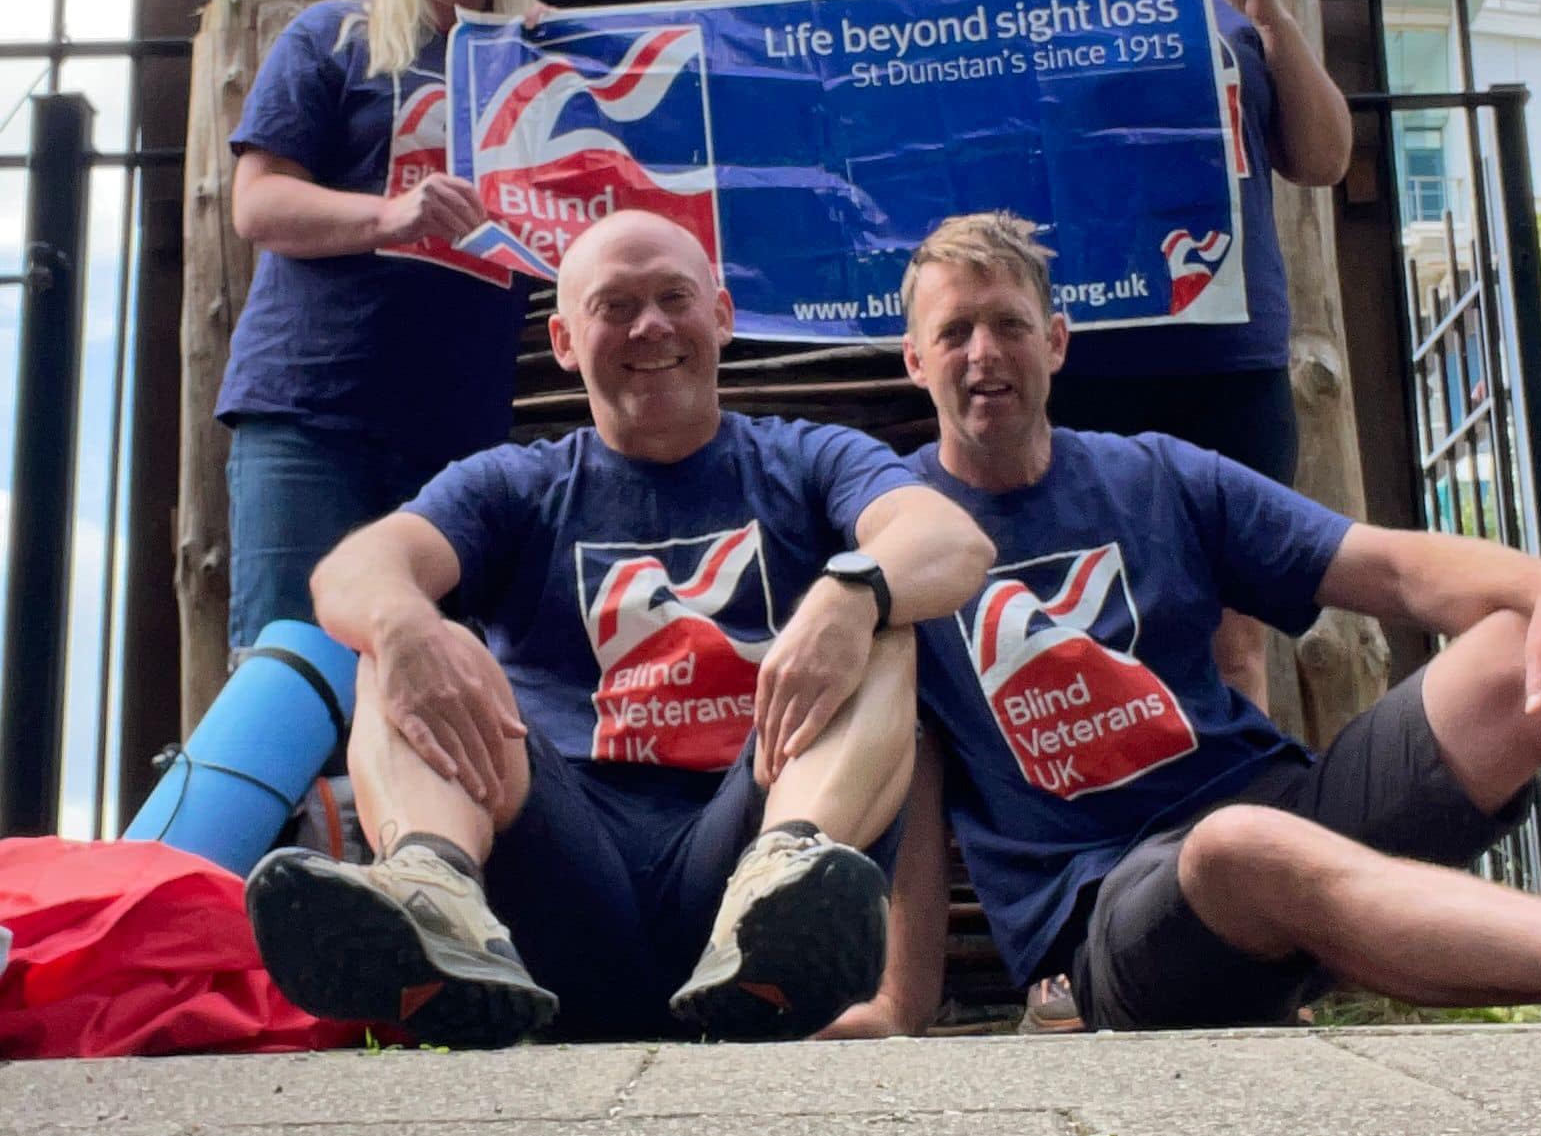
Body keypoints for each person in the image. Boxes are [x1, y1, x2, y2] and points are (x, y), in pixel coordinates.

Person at [862, 209, 1541, 1036]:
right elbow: (911, 781)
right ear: (915, 360)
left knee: (1518, 648)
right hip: (1121, 921)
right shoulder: (895, 539)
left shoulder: (1156, 475)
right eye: (955, 331)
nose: (984, 352)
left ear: (1057, 342)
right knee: (1234, 849)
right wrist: (900, 1006)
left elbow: (1389, 566)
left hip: (1292, 819)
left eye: (1009, 324)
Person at [243, 209, 994, 1048]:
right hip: (558, 887)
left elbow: (951, 540)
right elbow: (349, 572)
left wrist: (851, 593)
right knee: (402, 637)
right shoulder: (515, 484)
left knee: (886, 620)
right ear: (565, 340)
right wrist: (402, 621)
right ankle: (434, 896)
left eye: (675, 297)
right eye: (615, 306)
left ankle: (789, 884)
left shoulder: (807, 458)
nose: (651, 326)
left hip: (742, 887)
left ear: (721, 315)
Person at [1007, 0, 1355, 1025]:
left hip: (1219, 357)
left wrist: (1266, 14)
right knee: (1069, 640)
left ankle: (1245, 934)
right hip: (1065, 364)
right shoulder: (985, 23)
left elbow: (1319, 157)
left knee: (1232, 637)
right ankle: (1093, 922)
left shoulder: (1216, 5)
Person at [214, 0, 540, 659]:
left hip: (460, 434)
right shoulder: (333, 36)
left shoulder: (545, 60)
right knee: (290, 678)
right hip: (313, 413)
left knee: (440, 685)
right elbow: (257, 205)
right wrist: (391, 215)